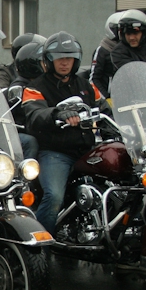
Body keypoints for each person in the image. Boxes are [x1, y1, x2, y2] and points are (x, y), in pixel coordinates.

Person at [22, 31, 107, 234]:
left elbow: (105, 109)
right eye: (59, 58)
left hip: (88, 150)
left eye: (69, 58)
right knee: (54, 196)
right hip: (56, 152)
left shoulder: (86, 85)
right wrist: (57, 113)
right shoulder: (34, 88)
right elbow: (35, 115)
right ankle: (39, 248)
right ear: (49, 60)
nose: (64, 63)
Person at [5, 42, 45, 160]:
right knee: (30, 142)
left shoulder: (40, 84)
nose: (48, 64)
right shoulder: (19, 88)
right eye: (43, 62)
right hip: (20, 132)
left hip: (35, 129)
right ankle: (26, 175)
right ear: (32, 65)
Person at [89, 12, 123, 98]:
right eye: (121, 30)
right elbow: (93, 79)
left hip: (126, 99)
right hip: (108, 101)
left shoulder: (128, 50)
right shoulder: (102, 50)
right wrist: (106, 98)